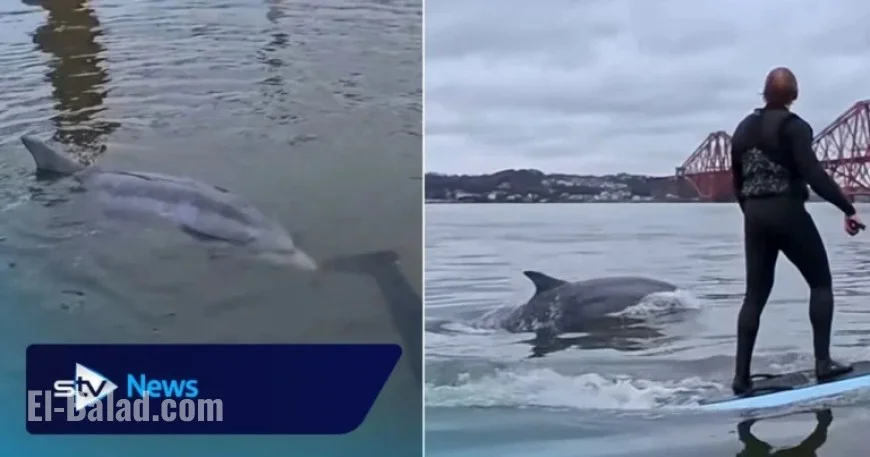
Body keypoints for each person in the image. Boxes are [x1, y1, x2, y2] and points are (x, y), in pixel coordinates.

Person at [729, 67, 865, 395]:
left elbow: (738, 181)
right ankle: (823, 363)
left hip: (754, 214)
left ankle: (741, 379)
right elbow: (814, 175)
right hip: (787, 211)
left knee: (754, 296)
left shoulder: (742, 129)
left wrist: (753, 213)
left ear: (764, 93)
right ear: (794, 95)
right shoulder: (795, 127)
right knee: (820, 283)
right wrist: (847, 208)